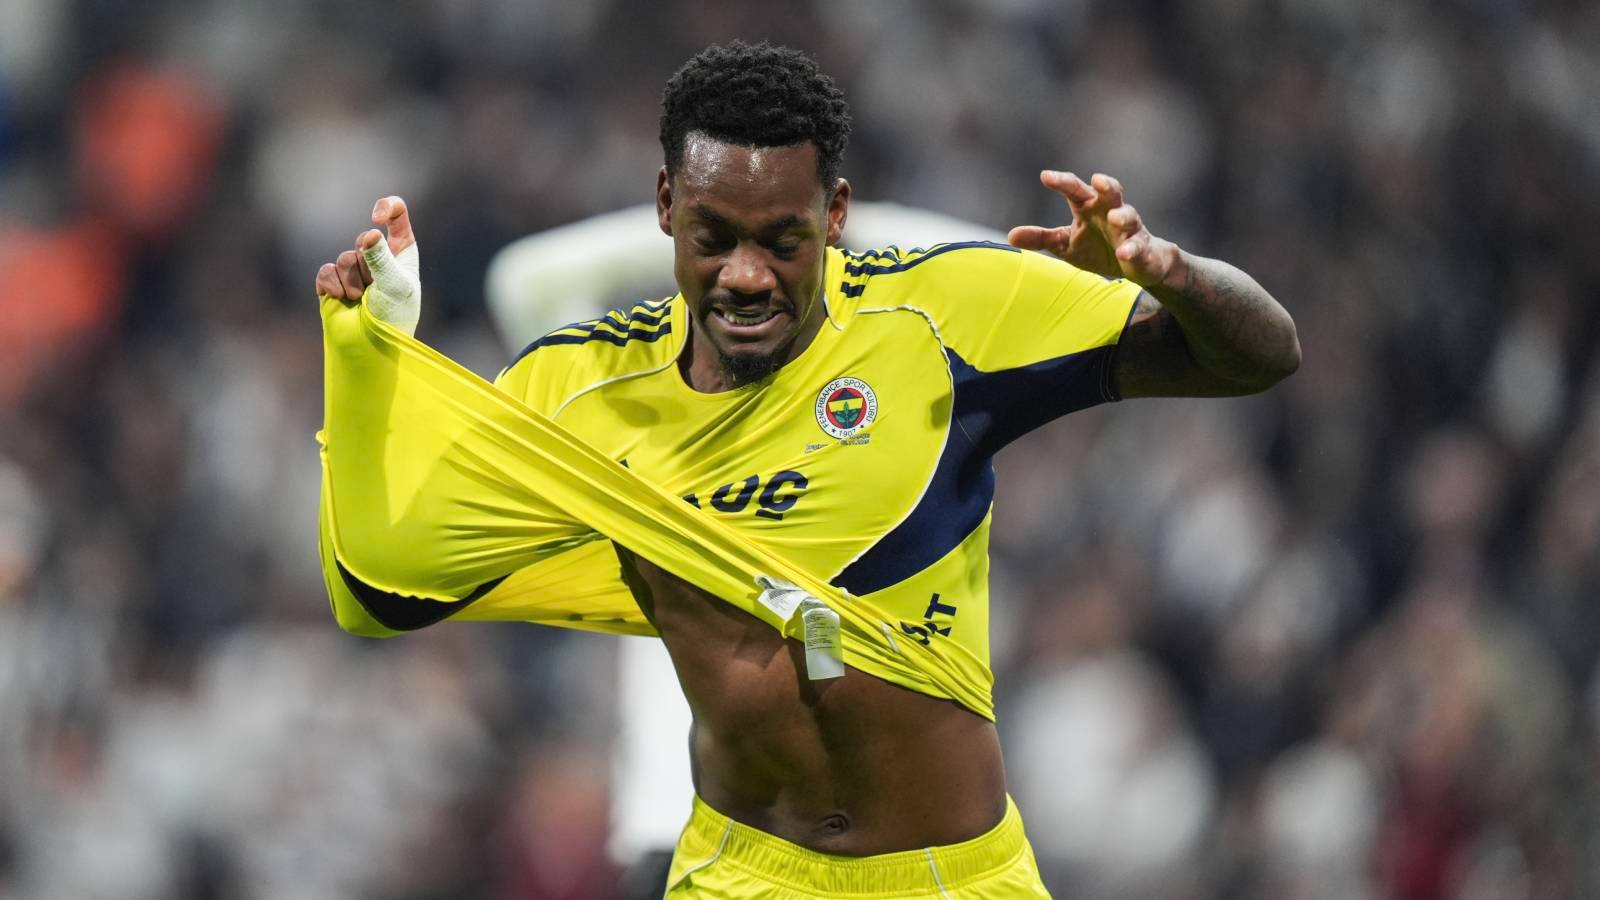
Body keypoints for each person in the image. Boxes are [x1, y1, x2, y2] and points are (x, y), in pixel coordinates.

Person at [313, 41, 1299, 898]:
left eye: (782, 241)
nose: (746, 276)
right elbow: (379, 588)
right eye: (713, 238)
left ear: (834, 213)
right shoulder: (580, 390)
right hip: (737, 875)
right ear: (665, 206)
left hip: (951, 879)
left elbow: (1258, 356)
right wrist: (367, 355)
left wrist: (1172, 274)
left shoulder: (943, 314)